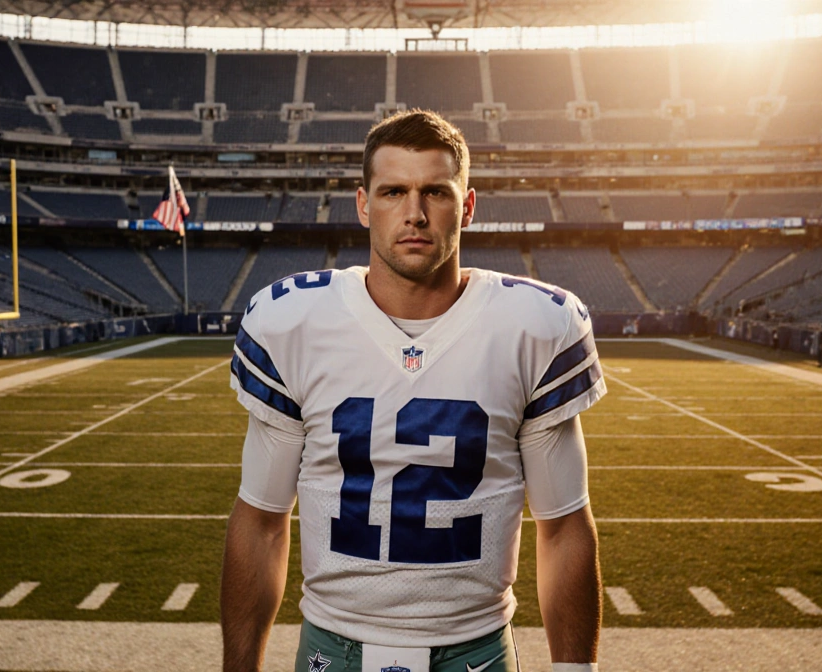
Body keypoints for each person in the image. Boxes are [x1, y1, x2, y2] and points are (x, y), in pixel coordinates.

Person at [221, 110, 604, 672]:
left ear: (467, 205)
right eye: (393, 191)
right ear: (362, 204)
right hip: (333, 649)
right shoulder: (293, 320)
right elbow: (260, 520)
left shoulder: (535, 325)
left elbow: (565, 523)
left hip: (475, 651)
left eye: (436, 193)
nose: (415, 214)